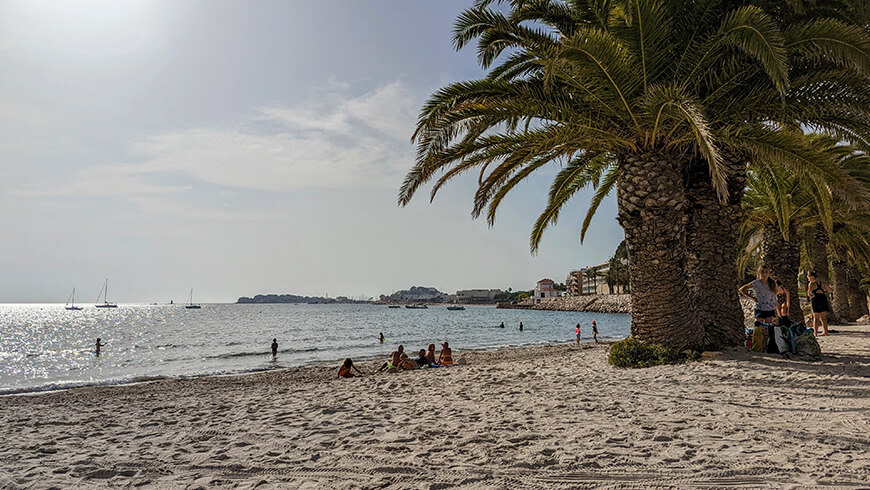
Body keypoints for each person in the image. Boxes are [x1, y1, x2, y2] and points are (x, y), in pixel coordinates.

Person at [807, 271, 831, 336]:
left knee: (816, 317)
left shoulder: (811, 284)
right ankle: (826, 332)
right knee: (823, 317)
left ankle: (815, 333)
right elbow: (829, 290)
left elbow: (809, 293)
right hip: (823, 298)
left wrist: (811, 295)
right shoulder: (822, 283)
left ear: (811, 277)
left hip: (816, 299)